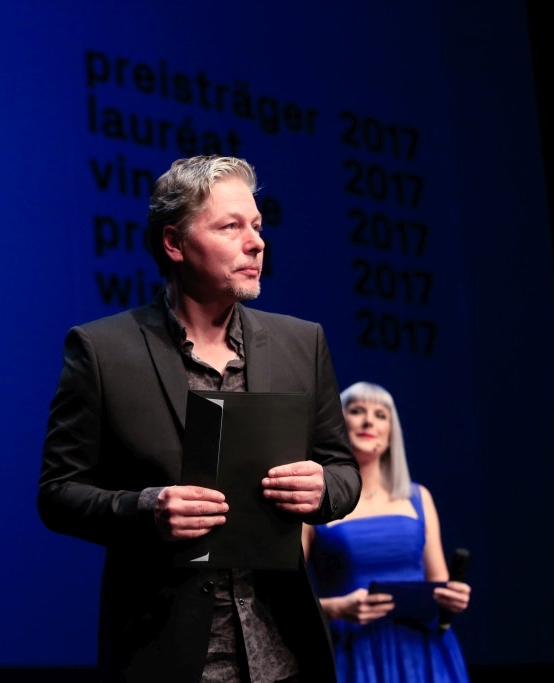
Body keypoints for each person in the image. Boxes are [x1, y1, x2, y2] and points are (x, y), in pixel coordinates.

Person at [37, 155, 361, 682]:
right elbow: (57, 494)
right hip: (166, 656)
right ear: (174, 243)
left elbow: (344, 471)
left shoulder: (302, 343)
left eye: (257, 226)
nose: (255, 243)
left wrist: (323, 487)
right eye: (231, 227)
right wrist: (146, 509)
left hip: (284, 656)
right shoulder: (103, 351)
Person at [302, 381, 471, 683]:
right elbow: (284, 602)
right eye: (357, 411)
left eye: (381, 414)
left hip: (423, 656)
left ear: (392, 433)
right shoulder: (315, 502)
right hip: (351, 652)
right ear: (336, 426)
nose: (369, 421)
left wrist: (453, 597)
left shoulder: (419, 498)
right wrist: (337, 608)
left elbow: (439, 587)